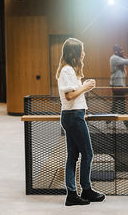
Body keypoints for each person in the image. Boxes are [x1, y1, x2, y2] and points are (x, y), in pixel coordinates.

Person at [56, 38, 105, 206]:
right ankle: (86, 189)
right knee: (88, 153)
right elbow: (69, 95)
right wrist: (85, 86)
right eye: (82, 51)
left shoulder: (68, 71)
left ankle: (73, 193)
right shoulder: (67, 71)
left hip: (72, 115)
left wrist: (83, 86)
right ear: (75, 53)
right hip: (74, 116)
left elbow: (72, 93)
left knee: (73, 156)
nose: (84, 54)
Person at [109, 44, 128, 127]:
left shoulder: (117, 58)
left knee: (115, 105)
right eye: (120, 50)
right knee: (122, 105)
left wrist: (122, 56)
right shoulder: (114, 58)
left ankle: (108, 122)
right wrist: (123, 56)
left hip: (119, 85)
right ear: (116, 51)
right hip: (117, 85)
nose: (122, 51)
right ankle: (127, 125)